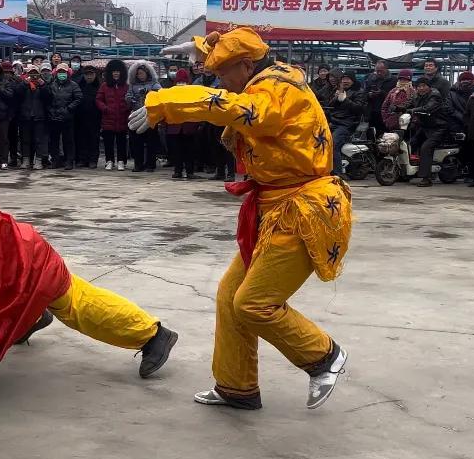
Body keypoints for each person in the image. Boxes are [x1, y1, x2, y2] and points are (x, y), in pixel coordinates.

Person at [129, 27, 351, 410]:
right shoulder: (267, 76)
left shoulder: (274, 91)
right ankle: (236, 386)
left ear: (247, 65)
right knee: (230, 296)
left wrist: (164, 102)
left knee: (254, 303)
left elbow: (236, 109)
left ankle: (323, 357)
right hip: (273, 207)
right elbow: (232, 78)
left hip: (303, 210)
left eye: (221, 73)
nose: (219, 82)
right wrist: (202, 48)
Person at [0, 139, 178, 384]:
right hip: (9, 276)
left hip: (36, 267)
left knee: (76, 305)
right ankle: (32, 316)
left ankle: (153, 335)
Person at [405, 77, 451, 187]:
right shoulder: (416, 95)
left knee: (426, 147)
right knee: (411, 143)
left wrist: (413, 110)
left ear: (429, 87)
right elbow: (408, 104)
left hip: (438, 127)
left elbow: (427, 108)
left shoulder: (435, 95)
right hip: (424, 127)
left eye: (423, 86)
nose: (421, 88)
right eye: (419, 86)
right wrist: (398, 108)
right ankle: (409, 172)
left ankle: (426, 178)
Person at [163, 68, 203, 179]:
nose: (181, 84)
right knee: (176, 151)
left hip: (188, 127)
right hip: (174, 127)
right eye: (179, 82)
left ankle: (190, 171)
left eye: (183, 82)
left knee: (189, 150)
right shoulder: (170, 93)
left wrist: (198, 124)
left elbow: (197, 109)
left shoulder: (193, 93)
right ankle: (178, 171)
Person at [324, 72, 366, 176]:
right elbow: (330, 105)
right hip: (333, 122)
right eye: (343, 79)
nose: (345, 81)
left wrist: (345, 99)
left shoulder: (359, 92)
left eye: (348, 79)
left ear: (352, 80)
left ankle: (337, 173)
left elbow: (358, 108)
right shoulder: (338, 91)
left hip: (347, 124)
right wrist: (336, 97)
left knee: (333, 144)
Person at [44, 63, 83, 170]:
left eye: (64, 72)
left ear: (68, 73)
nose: (62, 74)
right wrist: (51, 110)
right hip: (54, 117)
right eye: (60, 72)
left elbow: (78, 98)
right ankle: (55, 161)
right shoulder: (52, 85)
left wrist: (68, 109)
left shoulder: (73, 85)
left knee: (68, 140)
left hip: (67, 117)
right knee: (54, 141)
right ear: (56, 73)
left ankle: (69, 161)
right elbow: (47, 99)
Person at [125, 60, 161, 172]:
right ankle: (138, 164)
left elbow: (160, 96)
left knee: (151, 141)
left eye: (141, 73)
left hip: (151, 115)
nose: (139, 75)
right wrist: (130, 99)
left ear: (147, 73)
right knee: (136, 142)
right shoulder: (132, 85)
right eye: (138, 74)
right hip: (136, 115)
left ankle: (151, 164)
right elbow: (127, 97)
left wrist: (149, 93)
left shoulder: (155, 84)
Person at [97, 59, 129, 171]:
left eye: (118, 71)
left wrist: (126, 108)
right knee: (108, 142)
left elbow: (129, 100)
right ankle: (109, 160)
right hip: (108, 119)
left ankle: (121, 161)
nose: (116, 73)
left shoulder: (126, 86)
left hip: (122, 119)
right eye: (114, 71)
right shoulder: (104, 86)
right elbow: (99, 100)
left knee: (121, 141)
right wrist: (105, 108)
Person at [18, 64, 50, 169]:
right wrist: (24, 84)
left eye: (35, 73)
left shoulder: (43, 85)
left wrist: (43, 86)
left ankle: (38, 161)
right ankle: (26, 160)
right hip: (25, 116)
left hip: (39, 117)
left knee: (38, 140)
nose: (33, 76)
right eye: (31, 73)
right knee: (25, 140)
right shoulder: (23, 84)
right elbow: (17, 95)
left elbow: (48, 98)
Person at [74, 64, 102, 168]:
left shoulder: (100, 86)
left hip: (95, 118)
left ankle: (93, 160)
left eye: (91, 74)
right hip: (80, 117)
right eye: (87, 74)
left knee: (94, 140)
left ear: (95, 75)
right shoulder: (79, 85)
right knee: (81, 139)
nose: (89, 77)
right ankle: (82, 159)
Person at [364, 60, 398, 135]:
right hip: (372, 111)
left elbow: (395, 98)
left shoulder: (394, 80)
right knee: (372, 133)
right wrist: (369, 95)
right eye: (377, 71)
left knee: (386, 134)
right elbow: (363, 94)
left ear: (386, 69)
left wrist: (382, 93)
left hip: (386, 112)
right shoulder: (370, 79)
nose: (379, 73)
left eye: (381, 71)